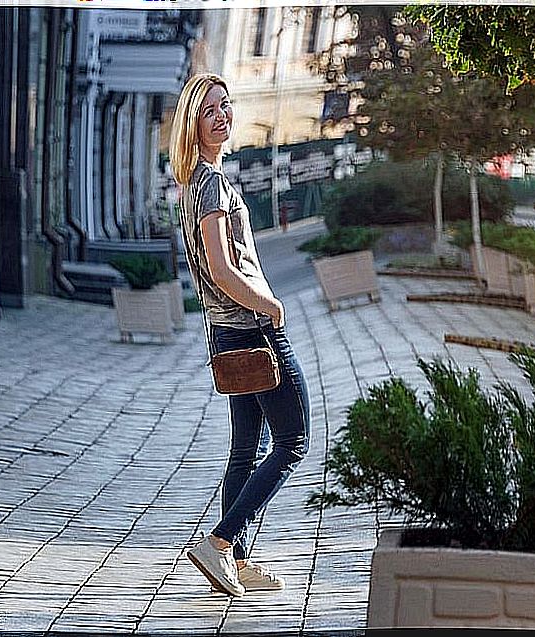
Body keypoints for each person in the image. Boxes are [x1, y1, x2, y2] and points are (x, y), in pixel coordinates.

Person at [169, 73, 310, 597]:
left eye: (225, 106)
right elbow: (221, 268)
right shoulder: (209, 186)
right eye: (210, 111)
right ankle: (222, 540)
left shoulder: (203, 183)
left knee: (245, 450)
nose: (222, 116)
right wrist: (269, 304)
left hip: (229, 336)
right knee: (294, 441)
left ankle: (238, 560)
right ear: (194, 125)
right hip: (250, 331)